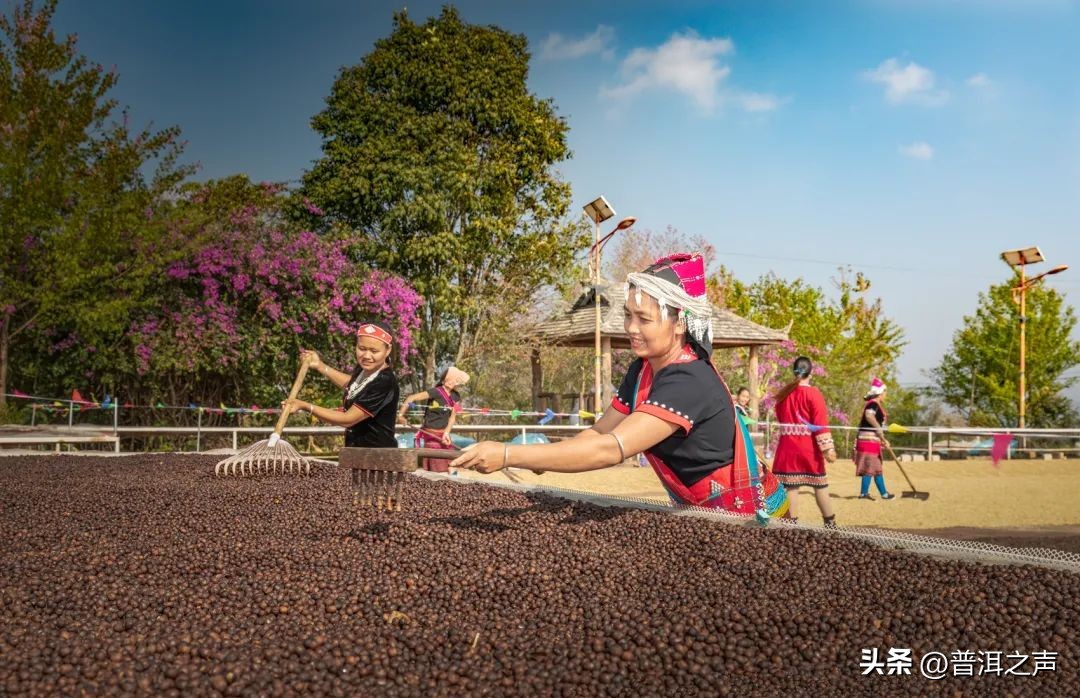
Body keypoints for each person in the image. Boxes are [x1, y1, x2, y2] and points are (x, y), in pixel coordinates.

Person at [451, 252, 787, 519]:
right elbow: (598, 433)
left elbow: (610, 449)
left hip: (750, 518)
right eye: (628, 315)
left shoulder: (690, 380)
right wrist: (544, 455)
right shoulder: (641, 371)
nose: (631, 328)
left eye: (644, 319)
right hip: (701, 513)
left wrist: (509, 454)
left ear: (681, 323)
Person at [281, 321, 400, 448]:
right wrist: (320, 366)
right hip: (356, 452)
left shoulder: (384, 382)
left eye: (374, 351)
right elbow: (355, 385)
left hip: (377, 457)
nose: (366, 356)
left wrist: (305, 406)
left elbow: (348, 419)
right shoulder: (364, 370)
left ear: (388, 350)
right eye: (361, 349)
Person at [770, 356, 838, 527]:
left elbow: (781, 419)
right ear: (811, 372)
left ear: (794, 371)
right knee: (820, 486)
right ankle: (831, 525)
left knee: (791, 487)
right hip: (809, 449)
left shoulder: (784, 394)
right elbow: (820, 423)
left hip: (787, 447)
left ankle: (791, 527)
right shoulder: (814, 394)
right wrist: (828, 449)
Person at [398, 366, 471, 473]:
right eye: (457, 383)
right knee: (437, 458)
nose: (459, 386)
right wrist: (400, 415)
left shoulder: (456, 396)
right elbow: (411, 398)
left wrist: (447, 432)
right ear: (450, 382)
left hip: (443, 434)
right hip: (430, 433)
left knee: (450, 460)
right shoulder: (436, 392)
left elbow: (453, 416)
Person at [854, 378, 895, 500]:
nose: (886, 395)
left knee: (876, 468)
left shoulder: (876, 405)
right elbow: (869, 415)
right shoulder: (873, 404)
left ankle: (884, 494)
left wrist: (882, 439)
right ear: (881, 392)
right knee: (870, 466)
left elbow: (878, 427)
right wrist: (878, 429)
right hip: (867, 440)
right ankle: (863, 494)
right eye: (885, 392)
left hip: (873, 440)